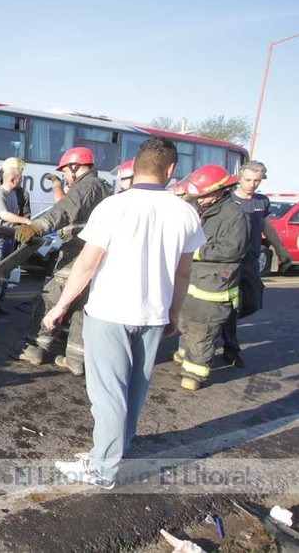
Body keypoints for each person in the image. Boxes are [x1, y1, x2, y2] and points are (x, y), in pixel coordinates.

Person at [43, 137, 206, 488]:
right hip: (154, 314)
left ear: (134, 165)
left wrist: (60, 306)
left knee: (107, 393)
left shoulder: (113, 207)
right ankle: (115, 449)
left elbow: (86, 265)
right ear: (171, 169)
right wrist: (175, 313)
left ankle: (103, 468)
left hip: (110, 312)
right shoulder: (185, 211)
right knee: (134, 389)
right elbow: (182, 273)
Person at [13, 147, 112, 375]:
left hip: (77, 255)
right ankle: (76, 360)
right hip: (93, 256)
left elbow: (66, 210)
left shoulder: (88, 186)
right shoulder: (102, 188)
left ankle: (33, 350)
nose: (65, 175)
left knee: (50, 299)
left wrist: (37, 226)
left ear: (75, 167)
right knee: (80, 308)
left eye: (65, 171)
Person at [172, 165, 250, 390]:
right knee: (186, 322)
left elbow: (232, 249)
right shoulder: (199, 207)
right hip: (192, 280)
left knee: (203, 329)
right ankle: (186, 354)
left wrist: (195, 251)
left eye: (204, 196)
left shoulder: (235, 216)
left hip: (214, 285)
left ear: (220, 190)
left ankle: (194, 373)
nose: (200, 200)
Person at [221, 161, 293, 367]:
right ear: (240, 178)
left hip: (251, 261)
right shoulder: (227, 200)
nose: (252, 184)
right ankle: (231, 348)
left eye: (257, 181)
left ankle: (224, 328)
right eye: (248, 180)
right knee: (229, 307)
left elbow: (266, 226)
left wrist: (280, 249)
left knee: (252, 302)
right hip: (230, 262)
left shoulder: (262, 202)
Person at [0, 162, 32, 263]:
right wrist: (26, 221)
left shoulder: (13, 194)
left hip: (9, 237)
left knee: (5, 271)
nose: (21, 181)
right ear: (12, 180)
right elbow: (4, 214)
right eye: (20, 179)